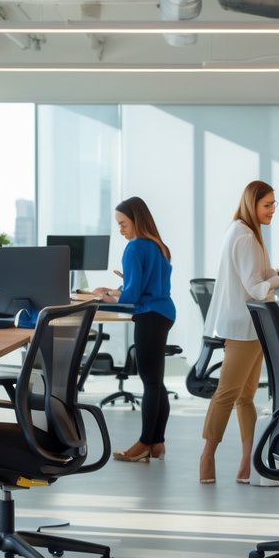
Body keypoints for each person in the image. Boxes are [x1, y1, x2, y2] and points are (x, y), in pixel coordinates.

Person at [199, 180, 279, 484]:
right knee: (228, 393)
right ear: (252, 204)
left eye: (274, 204)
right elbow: (255, 289)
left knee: (245, 397)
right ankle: (207, 457)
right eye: (267, 204)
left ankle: (247, 463)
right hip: (243, 327)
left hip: (250, 326)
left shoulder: (244, 231)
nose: (273, 209)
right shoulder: (245, 236)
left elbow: (258, 277)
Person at [91, 197, 177, 463]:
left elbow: (132, 296)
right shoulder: (159, 246)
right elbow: (145, 288)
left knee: (150, 383)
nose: (121, 230)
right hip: (163, 312)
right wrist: (119, 291)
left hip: (149, 315)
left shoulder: (134, 248)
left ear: (136, 220)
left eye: (123, 224)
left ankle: (143, 444)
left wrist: (105, 299)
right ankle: (158, 442)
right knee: (156, 381)